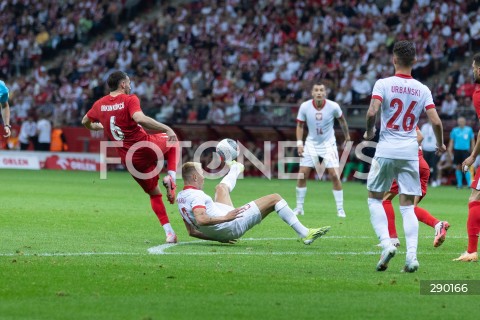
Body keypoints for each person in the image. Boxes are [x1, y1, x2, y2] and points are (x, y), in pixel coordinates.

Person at [364, 40, 445, 273]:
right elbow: (436, 121)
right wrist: (439, 144)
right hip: (410, 152)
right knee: (408, 207)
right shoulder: (422, 89)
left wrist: (370, 132)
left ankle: (387, 244)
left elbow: (372, 111)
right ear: (415, 61)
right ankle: (411, 258)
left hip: (387, 149)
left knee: (374, 199)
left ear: (393, 59)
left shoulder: (383, 83)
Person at [82, 71, 180, 244]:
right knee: (173, 140)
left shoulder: (99, 104)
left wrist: (97, 126)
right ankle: (172, 177)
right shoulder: (129, 99)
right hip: (145, 146)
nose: (130, 85)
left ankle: (170, 233)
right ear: (122, 85)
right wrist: (167, 128)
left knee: (154, 194)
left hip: (130, 160)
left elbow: (85, 121)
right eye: (128, 82)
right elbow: (140, 119)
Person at [177, 161, 331, 244]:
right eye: (202, 174)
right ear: (195, 178)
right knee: (275, 198)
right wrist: (227, 218)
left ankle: (236, 168)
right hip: (231, 224)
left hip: (222, 228)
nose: (204, 177)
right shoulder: (197, 196)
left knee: (220, 188)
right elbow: (201, 219)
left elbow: (192, 232)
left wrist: (219, 238)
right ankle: (305, 233)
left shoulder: (181, 197)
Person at [383, 127, 449, 248]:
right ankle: (438, 224)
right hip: (422, 165)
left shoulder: (397, 120)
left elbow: (420, 137)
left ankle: (392, 239)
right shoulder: (410, 118)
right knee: (410, 208)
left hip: (409, 164)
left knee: (385, 199)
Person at [294, 81, 351, 218]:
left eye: (321, 90)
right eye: (316, 90)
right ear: (312, 93)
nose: (319, 92)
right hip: (311, 144)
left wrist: (347, 137)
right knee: (302, 174)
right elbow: (300, 126)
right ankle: (299, 208)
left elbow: (342, 121)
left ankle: (340, 209)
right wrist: (299, 143)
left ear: (325, 93)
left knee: (334, 175)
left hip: (328, 145)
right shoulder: (305, 106)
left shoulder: (333, 106)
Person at [456, 53, 480, 262]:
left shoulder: (478, 94)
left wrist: (473, 155)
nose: (472, 70)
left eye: (474, 67)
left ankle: (472, 251)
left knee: (474, 199)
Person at [448, 117, 474, 189]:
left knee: (466, 167)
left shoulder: (469, 130)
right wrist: (449, 149)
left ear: (465, 122)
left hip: (465, 151)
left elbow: (472, 141)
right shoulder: (455, 130)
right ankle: (459, 184)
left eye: (462, 121)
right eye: (459, 121)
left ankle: (469, 184)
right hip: (457, 151)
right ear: (458, 122)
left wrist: (473, 150)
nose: (461, 122)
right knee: (458, 167)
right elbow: (452, 141)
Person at [420, 120, 438, 185]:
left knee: (434, 166)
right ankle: (425, 181)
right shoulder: (424, 126)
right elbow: (421, 137)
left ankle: (434, 180)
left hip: (433, 149)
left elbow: (438, 137)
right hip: (425, 148)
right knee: (424, 167)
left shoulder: (436, 126)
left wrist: (437, 147)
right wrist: (421, 148)